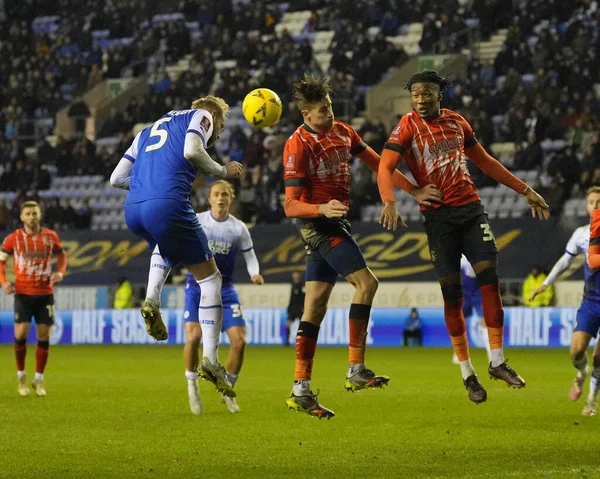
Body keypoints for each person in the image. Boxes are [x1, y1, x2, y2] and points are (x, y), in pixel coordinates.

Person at [377, 70, 550, 404]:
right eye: (415, 94)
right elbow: (385, 167)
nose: (420, 99)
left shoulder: (457, 123)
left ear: (439, 93)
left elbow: (485, 162)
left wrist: (524, 189)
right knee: (452, 296)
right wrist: (403, 195)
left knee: (490, 279)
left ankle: (498, 362)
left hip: (471, 210)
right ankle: (468, 374)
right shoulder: (407, 127)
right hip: (438, 219)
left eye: (426, 92)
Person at [282, 75, 442, 419]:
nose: (330, 112)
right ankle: (356, 368)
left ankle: (301, 389)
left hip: (335, 222)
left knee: (315, 308)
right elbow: (290, 205)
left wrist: (412, 190)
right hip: (317, 225)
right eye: (323, 109)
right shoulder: (297, 144)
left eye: (330, 105)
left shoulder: (343, 132)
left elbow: (379, 164)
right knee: (367, 283)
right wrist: (321, 208)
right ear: (307, 114)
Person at [109, 95, 243, 398]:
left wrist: (148, 182)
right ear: (213, 114)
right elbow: (193, 150)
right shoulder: (200, 117)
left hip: (134, 210)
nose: (218, 132)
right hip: (168, 204)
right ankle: (210, 359)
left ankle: (151, 300)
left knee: (167, 246)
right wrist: (223, 171)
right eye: (220, 125)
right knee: (211, 279)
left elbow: (117, 178)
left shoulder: (145, 131)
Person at [147, 180, 264, 415]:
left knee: (240, 342)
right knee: (193, 338)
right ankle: (192, 385)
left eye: (225, 194)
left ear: (231, 199)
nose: (220, 198)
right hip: (196, 288)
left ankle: (227, 389)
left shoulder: (239, 228)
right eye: (216, 194)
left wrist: (255, 273)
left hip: (226, 290)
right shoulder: (198, 221)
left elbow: (250, 256)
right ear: (209, 198)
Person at [530, 187, 600, 415]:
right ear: (587, 206)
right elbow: (565, 261)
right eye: (592, 202)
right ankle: (581, 373)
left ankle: (591, 399)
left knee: (599, 357)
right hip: (590, 302)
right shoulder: (581, 234)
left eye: (599, 201)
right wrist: (546, 283)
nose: (596, 205)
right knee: (576, 352)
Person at [0, 201, 67, 396]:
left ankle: (38, 379)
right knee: (20, 335)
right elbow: (1, 262)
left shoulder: (50, 237)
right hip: (23, 293)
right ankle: (21, 377)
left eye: (34, 213)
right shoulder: (13, 239)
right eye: (27, 214)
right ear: (21, 217)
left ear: (40, 215)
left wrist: (61, 273)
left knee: (44, 336)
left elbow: (62, 256)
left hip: (45, 293)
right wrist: (4, 282)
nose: (31, 217)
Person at [452, 256, 492, 364]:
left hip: (479, 294)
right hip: (465, 294)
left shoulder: (480, 254)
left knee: (484, 322)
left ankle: (491, 356)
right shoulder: (461, 258)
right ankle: (459, 352)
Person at [285, 270, 305, 346]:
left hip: (300, 308)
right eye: (294, 274)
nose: (295, 276)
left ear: (299, 275)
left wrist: (304, 307)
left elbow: (304, 297)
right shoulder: (293, 285)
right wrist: (289, 308)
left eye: (296, 274)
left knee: (302, 326)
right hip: (292, 309)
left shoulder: (302, 285)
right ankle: (287, 342)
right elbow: (291, 298)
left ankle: (302, 342)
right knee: (288, 324)